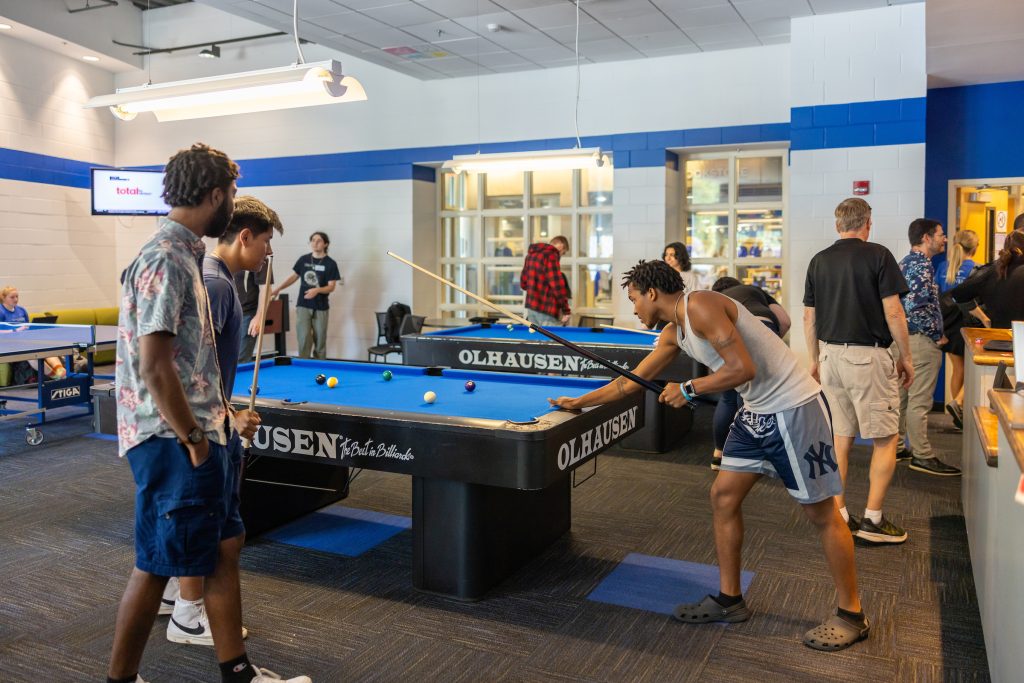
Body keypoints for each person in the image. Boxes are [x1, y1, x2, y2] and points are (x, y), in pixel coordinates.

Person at [549, 259, 867, 651]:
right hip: (756, 413)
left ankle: (852, 614)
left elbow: (742, 368)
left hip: (794, 408)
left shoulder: (701, 305)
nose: (633, 309)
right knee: (723, 497)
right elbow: (627, 386)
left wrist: (688, 389)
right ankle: (730, 600)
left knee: (821, 513)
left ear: (652, 293)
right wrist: (577, 403)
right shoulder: (674, 331)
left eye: (634, 299)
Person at [109, 142, 309, 683]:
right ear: (216, 194)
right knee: (157, 565)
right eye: (233, 194)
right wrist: (195, 436)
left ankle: (238, 673)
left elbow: (190, 361)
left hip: (205, 434)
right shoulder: (165, 257)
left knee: (225, 548)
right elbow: (154, 366)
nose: (235, 204)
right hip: (174, 442)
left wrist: (215, 430)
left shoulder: (190, 255)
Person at [160, 196, 282, 648]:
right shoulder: (216, 285)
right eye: (266, 242)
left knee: (200, 517)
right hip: (207, 425)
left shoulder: (221, 281)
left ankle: (178, 593)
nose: (268, 253)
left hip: (211, 419)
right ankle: (190, 616)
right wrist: (230, 414)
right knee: (209, 521)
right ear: (245, 237)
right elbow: (192, 367)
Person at [803, 198, 913, 544]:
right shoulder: (878, 255)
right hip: (868, 357)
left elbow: (810, 318)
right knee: (886, 438)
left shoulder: (819, 260)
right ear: (868, 223)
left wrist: (814, 359)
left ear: (838, 225)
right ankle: (873, 521)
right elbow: (894, 312)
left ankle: (839, 513)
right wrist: (906, 357)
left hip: (831, 357)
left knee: (841, 437)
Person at [896, 219, 961, 477]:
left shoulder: (907, 262)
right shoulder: (921, 266)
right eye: (940, 234)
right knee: (919, 402)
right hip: (921, 343)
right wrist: (937, 334)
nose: (944, 239)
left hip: (905, 340)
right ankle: (922, 454)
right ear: (926, 237)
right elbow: (917, 307)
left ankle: (899, 447)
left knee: (902, 399)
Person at [708, 276, 791, 470]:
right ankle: (748, 456)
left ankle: (718, 455)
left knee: (728, 397)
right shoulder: (753, 290)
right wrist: (770, 343)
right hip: (760, 328)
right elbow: (785, 321)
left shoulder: (714, 300)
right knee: (752, 397)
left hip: (726, 336)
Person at [934, 229, 988, 430]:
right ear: (975, 248)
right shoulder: (976, 269)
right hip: (966, 322)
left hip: (946, 323)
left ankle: (958, 411)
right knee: (970, 369)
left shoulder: (942, 267)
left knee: (958, 369)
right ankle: (959, 405)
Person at [271, 231, 339, 359]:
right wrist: (278, 288)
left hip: (321, 307)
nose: (315, 243)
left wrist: (317, 290)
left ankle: (320, 367)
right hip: (303, 305)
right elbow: (294, 277)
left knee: (320, 341)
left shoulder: (330, 263)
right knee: (303, 339)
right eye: (312, 240)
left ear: (325, 244)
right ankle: (304, 366)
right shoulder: (304, 259)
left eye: (318, 241)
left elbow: (331, 286)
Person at [949, 230, 1024, 329]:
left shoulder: (990, 271)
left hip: (998, 337)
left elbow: (958, 293)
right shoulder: (992, 270)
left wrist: (983, 318)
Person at [0, 286, 67, 382]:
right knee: (31, 355)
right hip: (7, 344)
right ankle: (54, 376)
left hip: (23, 340)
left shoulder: (21, 310)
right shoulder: (1, 311)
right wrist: (15, 331)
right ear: (3, 298)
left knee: (46, 346)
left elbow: (27, 326)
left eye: (17, 296)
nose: (16, 299)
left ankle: (60, 371)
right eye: (12, 297)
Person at [520, 235, 571, 326]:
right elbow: (557, 286)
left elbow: (523, 284)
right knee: (551, 339)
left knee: (535, 339)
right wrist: (566, 310)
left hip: (531, 308)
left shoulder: (530, 255)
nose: (561, 256)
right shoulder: (551, 255)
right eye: (563, 253)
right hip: (548, 309)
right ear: (561, 246)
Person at [236, 259, 275, 364]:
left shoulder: (260, 255)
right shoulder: (227, 254)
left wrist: (259, 317)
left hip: (247, 315)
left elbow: (265, 288)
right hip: (226, 315)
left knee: (240, 360)